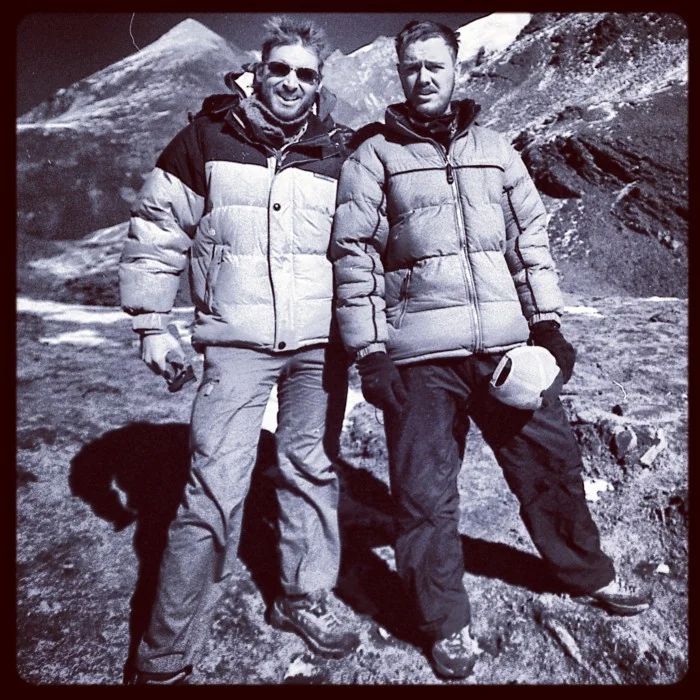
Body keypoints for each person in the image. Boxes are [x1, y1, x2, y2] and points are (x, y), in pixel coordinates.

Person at [330, 19, 652, 680]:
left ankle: (585, 573)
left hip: (506, 347)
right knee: (423, 494)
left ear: (457, 70)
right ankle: (444, 622)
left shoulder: (497, 150)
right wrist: (371, 352)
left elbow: (528, 242)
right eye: (412, 66)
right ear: (401, 72)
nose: (423, 76)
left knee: (551, 465)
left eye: (435, 65)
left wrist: (547, 324)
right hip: (420, 359)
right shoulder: (374, 157)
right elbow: (353, 256)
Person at [119, 15, 359, 685]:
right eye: (279, 68)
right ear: (257, 71)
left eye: (306, 74)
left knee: (310, 471)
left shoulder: (339, 150)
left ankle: (301, 599)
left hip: (318, 348)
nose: (291, 82)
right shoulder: (207, 138)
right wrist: (151, 323)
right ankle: (164, 656)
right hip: (234, 344)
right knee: (212, 490)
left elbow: (363, 243)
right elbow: (158, 229)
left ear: (319, 83)